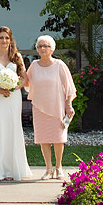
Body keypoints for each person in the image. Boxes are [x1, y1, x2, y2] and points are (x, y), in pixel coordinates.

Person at [0, 26, 32, 181]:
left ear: (11, 40)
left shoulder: (17, 56)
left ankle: (12, 170)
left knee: (12, 129)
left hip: (13, 97)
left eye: (7, 38)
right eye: (1, 37)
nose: (4, 40)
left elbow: (25, 78)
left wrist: (15, 86)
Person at [26, 34, 77, 180]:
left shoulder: (59, 65)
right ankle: (48, 168)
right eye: (40, 46)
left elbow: (68, 87)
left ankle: (59, 167)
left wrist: (68, 105)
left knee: (58, 138)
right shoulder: (34, 65)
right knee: (43, 138)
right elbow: (26, 82)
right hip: (39, 107)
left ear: (52, 49)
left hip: (57, 106)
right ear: (37, 49)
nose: (43, 48)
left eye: (46, 46)